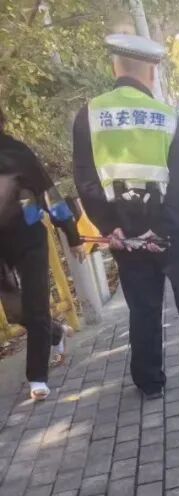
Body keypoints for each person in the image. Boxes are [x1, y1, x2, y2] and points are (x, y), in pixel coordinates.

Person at [72, 34, 179, 399]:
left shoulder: (89, 115)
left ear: (115, 68)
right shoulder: (168, 118)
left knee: (143, 309)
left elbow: (85, 180)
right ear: (151, 72)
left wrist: (110, 227)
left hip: (124, 236)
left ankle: (149, 384)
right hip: (172, 235)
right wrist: (161, 230)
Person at [0, 105, 80, 400]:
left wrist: (71, 234)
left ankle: (37, 377)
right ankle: (55, 333)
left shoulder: (16, 153)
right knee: (15, 311)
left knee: (35, 305)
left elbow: (48, 193)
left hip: (29, 237)